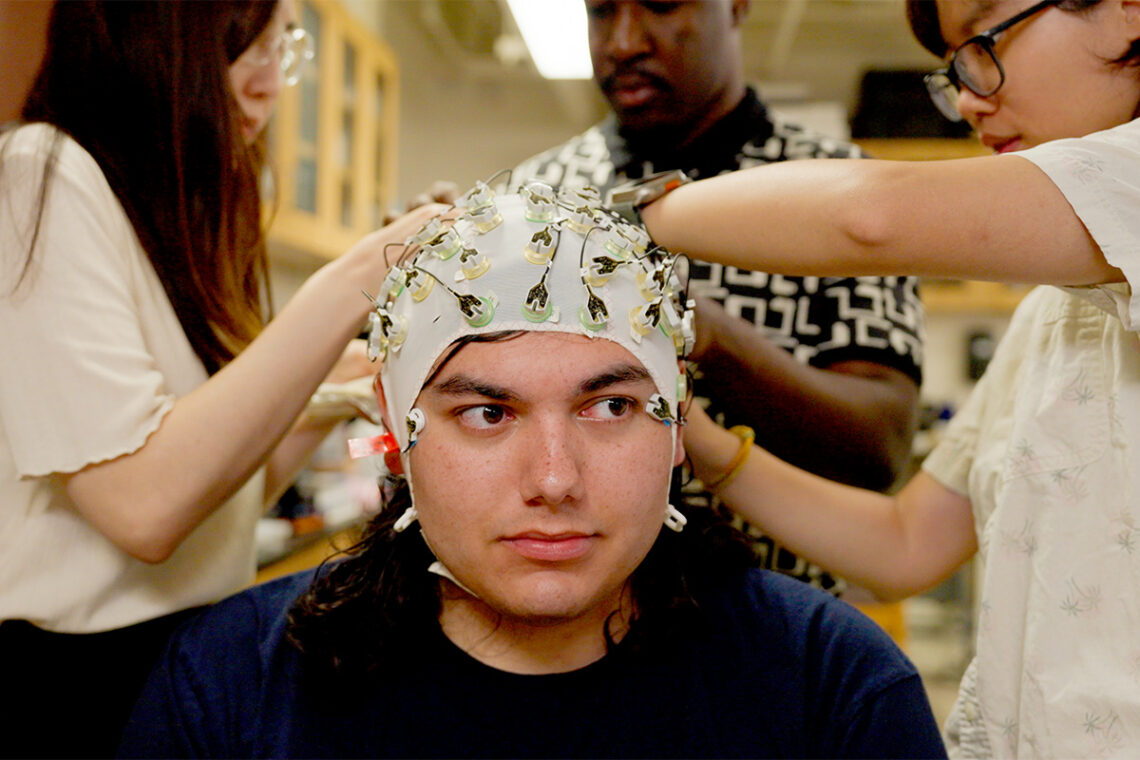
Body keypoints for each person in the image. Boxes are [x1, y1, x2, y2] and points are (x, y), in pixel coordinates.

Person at [118, 184, 947, 759]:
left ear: (679, 426)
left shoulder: (831, 690)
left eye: (609, 407)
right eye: (488, 413)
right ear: (397, 434)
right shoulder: (235, 688)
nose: (554, 480)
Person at [639, 0, 1140, 755]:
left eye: (983, 40)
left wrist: (583, 224)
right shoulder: (1054, 316)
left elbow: (867, 215)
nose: (970, 96)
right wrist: (698, 441)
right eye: (955, 65)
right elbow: (907, 544)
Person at [0, 2, 440, 756]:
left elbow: (223, 493)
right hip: (69, 685)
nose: (271, 87)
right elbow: (144, 508)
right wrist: (358, 276)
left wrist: (351, 378)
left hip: (181, 652)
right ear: (153, 45)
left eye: (283, 51)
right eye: (247, 51)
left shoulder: (174, 218)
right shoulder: (40, 170)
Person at [512, 0, 923, 596]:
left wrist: (708, 335)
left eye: (660, 5)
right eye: (601, 12)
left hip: (771, 626)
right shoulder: (532, 203)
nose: (623, 41)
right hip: (567, 635)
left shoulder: (840, 191)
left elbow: (878, 451)